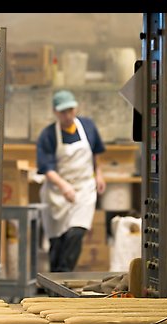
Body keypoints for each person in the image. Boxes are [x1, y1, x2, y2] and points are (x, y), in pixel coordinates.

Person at [36, 90, 106, 272]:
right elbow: (46, 168)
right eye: (63, 112)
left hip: (84, 189)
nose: (67, 115)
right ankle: (54, 286)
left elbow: (96, 152)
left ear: (76, 108)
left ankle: (64, 277)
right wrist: (64, 186)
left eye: (70, 110)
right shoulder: (48, 134)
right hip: (57, 193)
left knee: (77, 232)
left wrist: (99, 174)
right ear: (55, 112)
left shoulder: (88, 126)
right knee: (58, 241)